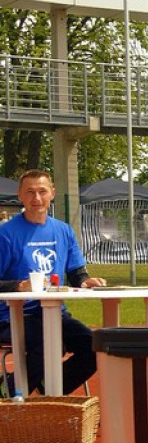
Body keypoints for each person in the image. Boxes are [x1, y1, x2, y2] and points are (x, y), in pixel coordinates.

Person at [0, 169, 106, 396]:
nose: (36, 198)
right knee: (50, 342)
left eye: (42, 191)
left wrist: (87, 281)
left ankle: (49, 388)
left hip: (54, 313)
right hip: (12, 316)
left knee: (97, 347)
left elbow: (77, 272)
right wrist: (19, 286)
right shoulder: (6, 234)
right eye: (29, 192)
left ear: (52, 194)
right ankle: (8, 393)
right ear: (19, 195)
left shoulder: (64, 231)